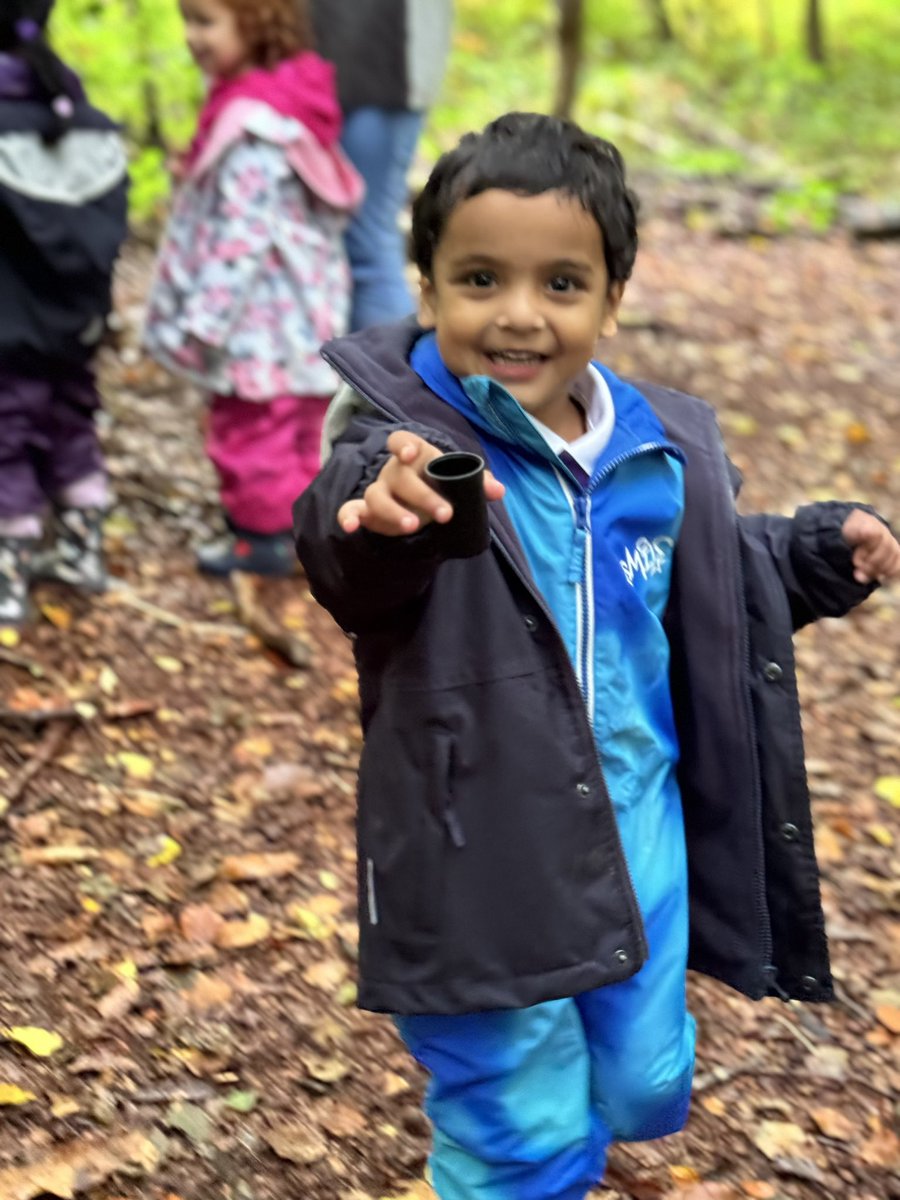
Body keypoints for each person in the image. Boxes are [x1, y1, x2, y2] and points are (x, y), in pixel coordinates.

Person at [293, 112, 900, 1199]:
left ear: (612, 298)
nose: (519, 314)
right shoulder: (405, 446)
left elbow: (704, 573)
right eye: (480, 278)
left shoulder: (655, 447)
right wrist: (379, 511)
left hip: (639, 828)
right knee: (519, 1131)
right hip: (476, 846)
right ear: (427, 286)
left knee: (641, 1080)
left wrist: (809, 558)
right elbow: (347, 548)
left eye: (561, 284)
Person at [143, 0, 363, 576]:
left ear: (257, 22)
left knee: (249, 436)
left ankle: (262, 543)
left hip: (258, 322)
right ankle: (303, 529)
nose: (193, 37)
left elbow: (242, 236)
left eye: (205, 21)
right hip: (304, 314)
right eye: (187, 20)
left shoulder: (254, 128)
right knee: (295, 433)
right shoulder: (293, 103)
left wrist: (203, 322)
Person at [0, 0, 128, 626]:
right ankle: (83, 551)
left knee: (5, 441)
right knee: (71, 425)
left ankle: (7, 581)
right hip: (75, 327)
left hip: (7, 332)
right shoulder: (88, 124)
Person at [311, 0, 453, 331]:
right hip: (332, 63)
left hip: (385, 66)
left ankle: (390, 379)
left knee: (366, 246)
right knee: (356, 245)